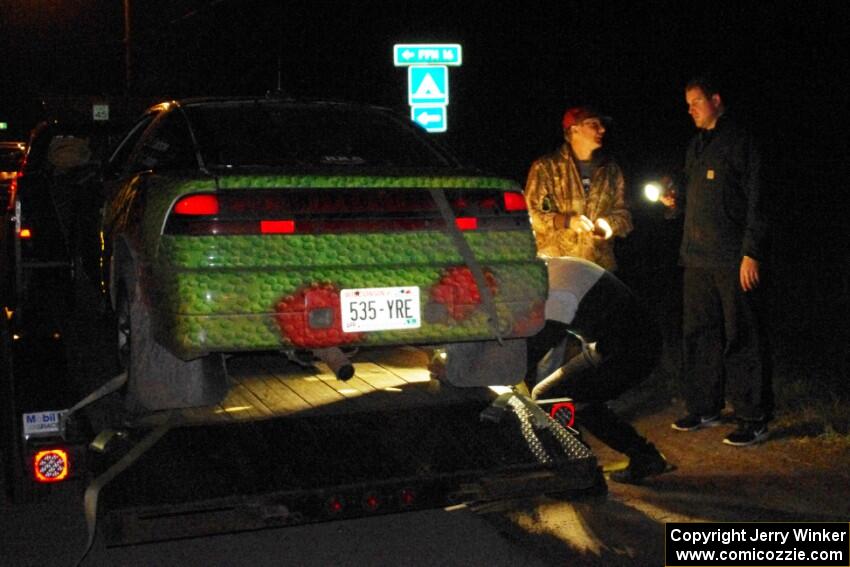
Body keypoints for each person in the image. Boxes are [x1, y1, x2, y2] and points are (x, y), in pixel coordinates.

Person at [661, 74, 771, 446]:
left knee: (741, 335)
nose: (689, 109)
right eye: (687, 103)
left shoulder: (741, 141)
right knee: (699, 334)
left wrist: (751, 251)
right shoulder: (696, 146)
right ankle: (705, 406)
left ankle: (753, 416)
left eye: (695, 101)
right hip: (696, 258)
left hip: (731, 258)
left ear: (716, 100)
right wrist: (674, 207)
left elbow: (759, 199)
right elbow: (693, 201)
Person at [525, 256, 668, 484]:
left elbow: (538, 344)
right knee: (564, 395)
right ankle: (643, 456)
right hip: (621, 344)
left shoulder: (556, 292)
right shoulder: (555, 266)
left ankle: (581, 473)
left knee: (557, 396)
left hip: (630, 349)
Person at [524, 106, 633, 271]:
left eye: (601, 124)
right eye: (593, 124)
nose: (602, 129)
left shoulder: (610, 170)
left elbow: (625, 214)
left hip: (597, 270)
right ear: (574, 130)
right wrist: (567, 221)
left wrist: (609, 225)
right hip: (557, 268)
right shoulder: (546, 168)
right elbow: (530, 215)